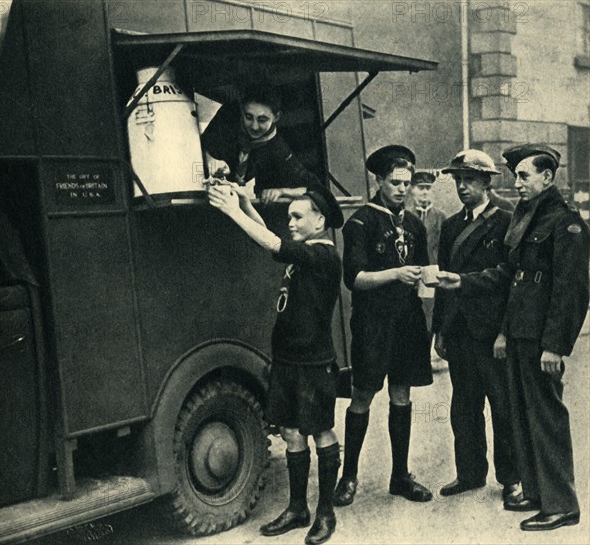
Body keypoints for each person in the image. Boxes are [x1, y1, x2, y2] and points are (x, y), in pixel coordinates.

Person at [437, 144, 589, 531]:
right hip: (522, 333)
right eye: (517, 175)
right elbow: (509, 276)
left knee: (547, 419)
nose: (517, 183)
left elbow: (571, 290)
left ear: (547, 178)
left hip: (541, 337)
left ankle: (563, 505)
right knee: (525, 417)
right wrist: (464, 280)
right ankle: (538, 495)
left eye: (524, 176)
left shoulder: (563, 221)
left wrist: (556, 344)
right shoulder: (531, 217)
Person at [208, 181, 344, 545]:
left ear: (320, 220)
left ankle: (325, 513)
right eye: (289, 217)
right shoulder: (303, 251)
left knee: (319, 431)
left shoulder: (324, 255)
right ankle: (298, 509)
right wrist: (244, 203)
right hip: (287, 360)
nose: (292, 222)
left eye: (298, 216)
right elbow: (273, 240)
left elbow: (274, 243)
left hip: (313, 363)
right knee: (291, 432)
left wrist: (232, 210)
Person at [334, 145, 433, 507]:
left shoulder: (416, 224)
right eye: (395, 182)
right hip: (373, 323)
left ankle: (400, 476)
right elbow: (354, 279)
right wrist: (395, 273)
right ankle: (348, 476)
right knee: (362, 394)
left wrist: (434, 280)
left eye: (407, 183)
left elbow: (421, 273)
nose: (402, 189)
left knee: (402, 395)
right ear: (378, 180)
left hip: (407, 322)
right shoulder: (359, 222)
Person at [431, 149, 520, 503]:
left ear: (486, 182)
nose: (462, 187)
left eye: (469, 179)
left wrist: (506, 331)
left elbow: (511, 279)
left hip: (492, 331)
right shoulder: (452, 225)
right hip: (459, 331)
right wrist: (439, 329)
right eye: (457, 180)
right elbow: (441, 282)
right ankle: (469, 474)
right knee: (464, 407)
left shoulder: (506, 220)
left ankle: (512, 479)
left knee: (502, 406)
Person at [201, 84, 320, 203]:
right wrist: (211, 161)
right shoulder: (227, 117)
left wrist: (282, 191)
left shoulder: (279, 149)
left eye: (262, 120)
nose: (254, 126)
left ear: (277, 117)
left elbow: (316, 189)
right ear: (242, 109)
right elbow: (200, 147)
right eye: (248, 117)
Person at [407, 171, 446, 264]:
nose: (425, 192)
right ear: (412, 189)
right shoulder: (405, 216)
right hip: (411, 269)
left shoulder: (440, 216)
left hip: (435, 268)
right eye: (421, 188)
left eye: (428, 188)